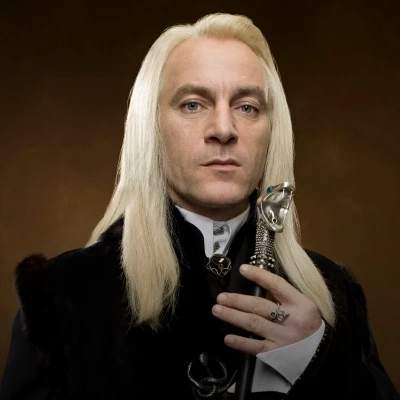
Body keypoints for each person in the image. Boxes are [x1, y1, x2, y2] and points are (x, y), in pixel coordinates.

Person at [0, 12, 398, 400]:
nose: (224, 129)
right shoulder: (62, 294)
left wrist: (319, 361)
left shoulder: (333, 294)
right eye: (193, 104)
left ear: (271, 130)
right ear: (152, 127)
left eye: (247, 106)